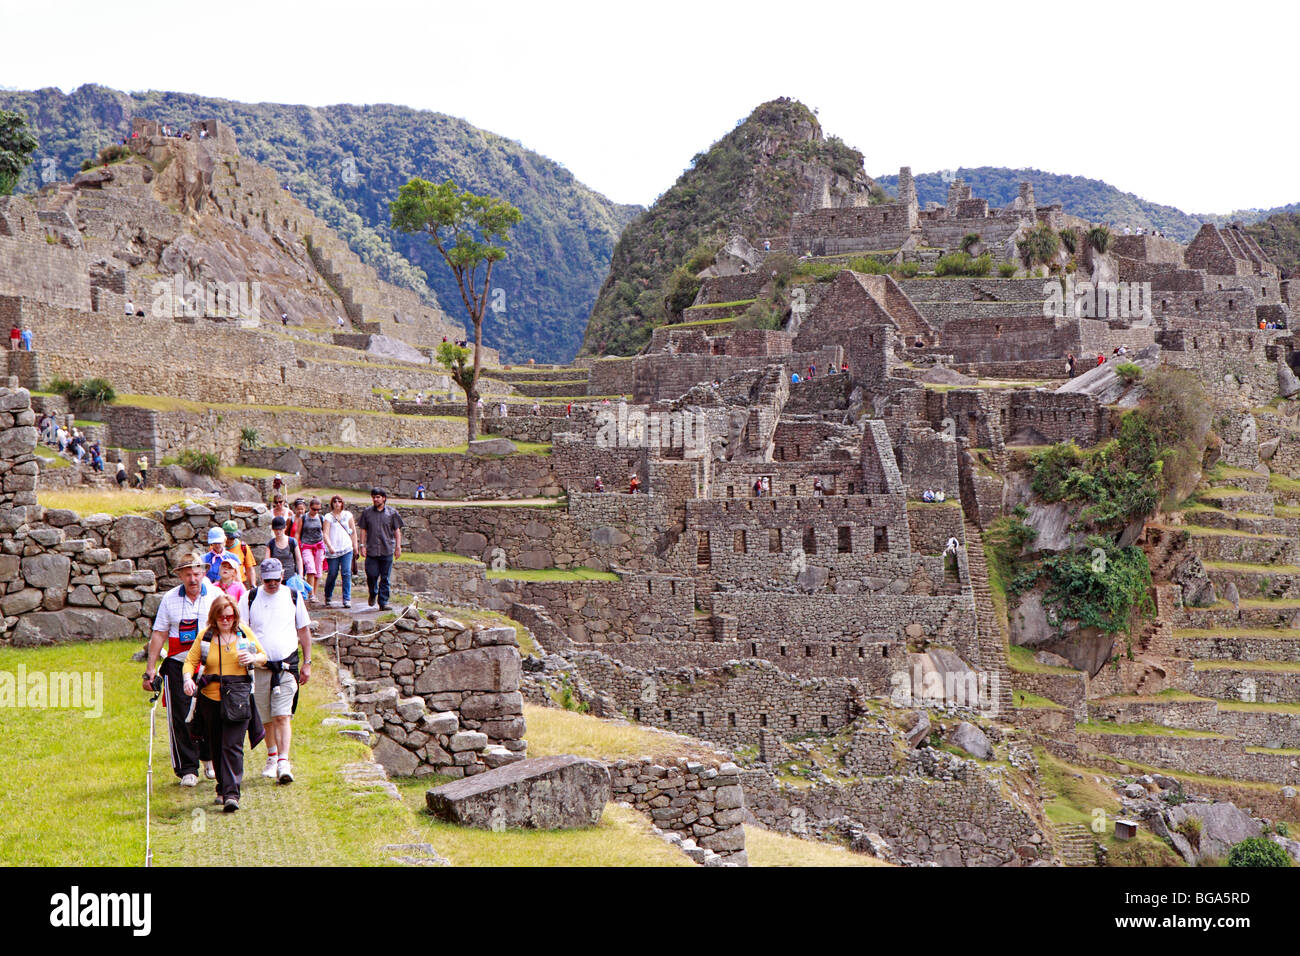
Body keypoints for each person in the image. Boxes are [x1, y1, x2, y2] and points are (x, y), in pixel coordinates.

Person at [143, 553, 220, 787]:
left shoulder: (216, 596)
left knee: (211, 714)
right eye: (188, 575)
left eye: (196, 574)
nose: (193, 579)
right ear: (180, 576)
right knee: (181, 717)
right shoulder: (169, 599)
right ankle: (187, 768)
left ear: (203, 573)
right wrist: (150, 669)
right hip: (178, 664)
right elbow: (159, 633)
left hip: (210, 664)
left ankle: (210, 758)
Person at [238, 558, 311, 784]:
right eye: (268, 580)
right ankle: (272, 756)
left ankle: (283, 761)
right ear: (261, 578)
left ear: (282, 577)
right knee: (266, 716)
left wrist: (307, 662)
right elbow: (242, 631)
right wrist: (246, 659)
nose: (272, 584)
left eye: (276, 580)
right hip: (259, 666)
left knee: (282, 715)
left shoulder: (293, 596)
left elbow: (304, 631)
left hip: (287, 666)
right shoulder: (249, 598)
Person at [356, 487, 403, 610]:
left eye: (378, 497)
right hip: (371, 550)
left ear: (384, 498)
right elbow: (363, 529)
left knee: (385, 578)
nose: (375, 499)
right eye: (374, 497)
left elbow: (397, 530)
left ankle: (383, 602)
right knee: (371, 575)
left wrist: (398, 547)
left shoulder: (392, 513)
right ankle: (373, 593)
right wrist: (362, 545)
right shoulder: (367, 512)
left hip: (387, 549)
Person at [322, 494, 358, 609]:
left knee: (346, 572)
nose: (337, 504)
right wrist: (330, 546)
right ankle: (328, 595)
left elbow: (353, 531)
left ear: (342, 503)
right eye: (335, 501)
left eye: (339, 501)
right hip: (333, 550)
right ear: (332, 503)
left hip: (346, 548)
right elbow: (325, 533)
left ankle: (347, 598)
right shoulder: (328, 517)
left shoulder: (348, 515)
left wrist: (355, 546)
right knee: (332, 573)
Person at [297, 497, 326, 604]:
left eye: (318, 510)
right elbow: (298, 533)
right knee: (310, 568)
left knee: (318, 571)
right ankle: (311, 593)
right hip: (307, 545)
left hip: (318, 545)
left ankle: (314, 592)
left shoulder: (321, 518)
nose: (316, 512)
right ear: (310, 508)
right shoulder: (303, 518)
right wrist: (295, 544)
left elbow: (325, 532)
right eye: (314, 509)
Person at [222, 520, 256, 586]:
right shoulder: (216, 548)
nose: (229, 540)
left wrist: (253, 585)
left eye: (232, 538)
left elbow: (250, 568)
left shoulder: (243, 547)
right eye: (227, 538)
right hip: (222, 584)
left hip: (239, 583)